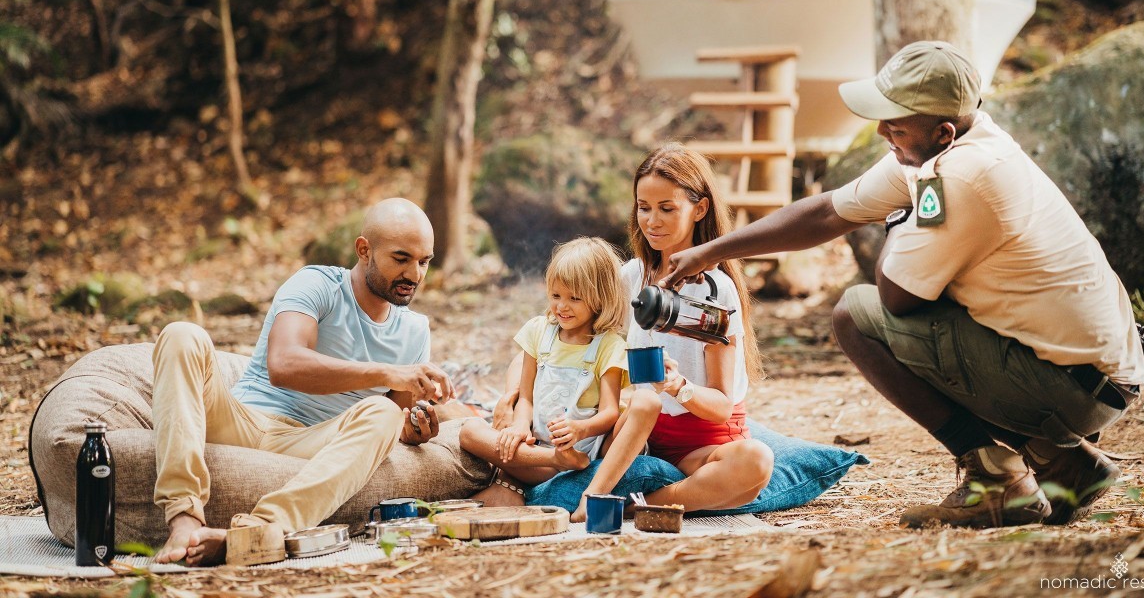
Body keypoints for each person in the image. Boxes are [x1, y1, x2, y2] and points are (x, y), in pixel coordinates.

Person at [661, 41, 1144, 529]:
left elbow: (895, 296)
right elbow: (828, 211)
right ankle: (1065, 462)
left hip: (1076, 389)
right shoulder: (949, 146)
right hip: (1088, 375)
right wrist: (710, 252)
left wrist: (898, 223)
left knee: (857, 316)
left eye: (895, 121)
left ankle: (997, 479)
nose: (880, 130)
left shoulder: (962, 176)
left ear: (942, 131)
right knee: (894, 311)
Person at [152, 198, 455, 565]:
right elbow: (284, 364)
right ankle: (184, 517)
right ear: (364, 250)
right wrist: (389, 371)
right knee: (182, 334)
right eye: (401, 258)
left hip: (312, 440)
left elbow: (392, 420)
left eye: (424, 262)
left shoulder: (414, 330)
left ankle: (259, 532)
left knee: (384, 415)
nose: (415, 275)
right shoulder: (318, 284)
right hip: (242, 420)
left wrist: (414, 430)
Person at [569, 143, 774, 521]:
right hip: (646, 433)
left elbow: (721, 406)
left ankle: (642, 503)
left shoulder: (715, 291)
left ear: (699, 209)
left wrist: (678, 386)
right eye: (643, 208)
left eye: (667, 209)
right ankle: (676, 495)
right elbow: (573, 331)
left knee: (756, 461)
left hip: (705, 442)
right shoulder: (631, 277)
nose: (652, 221)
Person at [462, 237, 630, 504]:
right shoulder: (539, 331)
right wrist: (519, 427)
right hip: (538, 454)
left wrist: (579, 429)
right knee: (469, 431)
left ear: (600, 298)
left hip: (579, 451)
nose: (561, 306)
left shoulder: (609, 345)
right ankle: (558, 462)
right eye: (555, 295)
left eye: (574, 298)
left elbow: (610, 412)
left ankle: (559, 466)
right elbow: (526, 397)